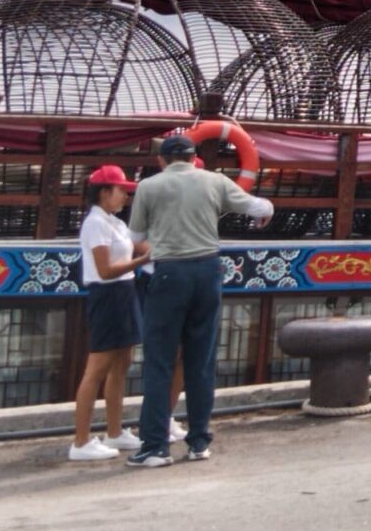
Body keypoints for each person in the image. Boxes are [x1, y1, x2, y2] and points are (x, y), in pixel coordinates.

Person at [125, 132, 274, 467]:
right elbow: (257, 207)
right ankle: (199, 442)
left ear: (161, 160)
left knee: (160, 360)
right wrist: (267, 211)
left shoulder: (150, 187)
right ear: (194, 158)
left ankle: (154, 447)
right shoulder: (215, 181)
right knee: (201, 359)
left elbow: (134, 237)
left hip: (168, 274)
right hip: (207, 272)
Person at [69, 166, 152, 462]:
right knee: (98, 367)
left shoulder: (115, 223)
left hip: (125, 293)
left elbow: (139, 244)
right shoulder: (94, 224)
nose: (125, 196)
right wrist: (142, 260)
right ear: (105, 192)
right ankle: (80, 441)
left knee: (122, 363)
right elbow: (104, 271)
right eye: (121, 190)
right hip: (108, 295)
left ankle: (114, 431)